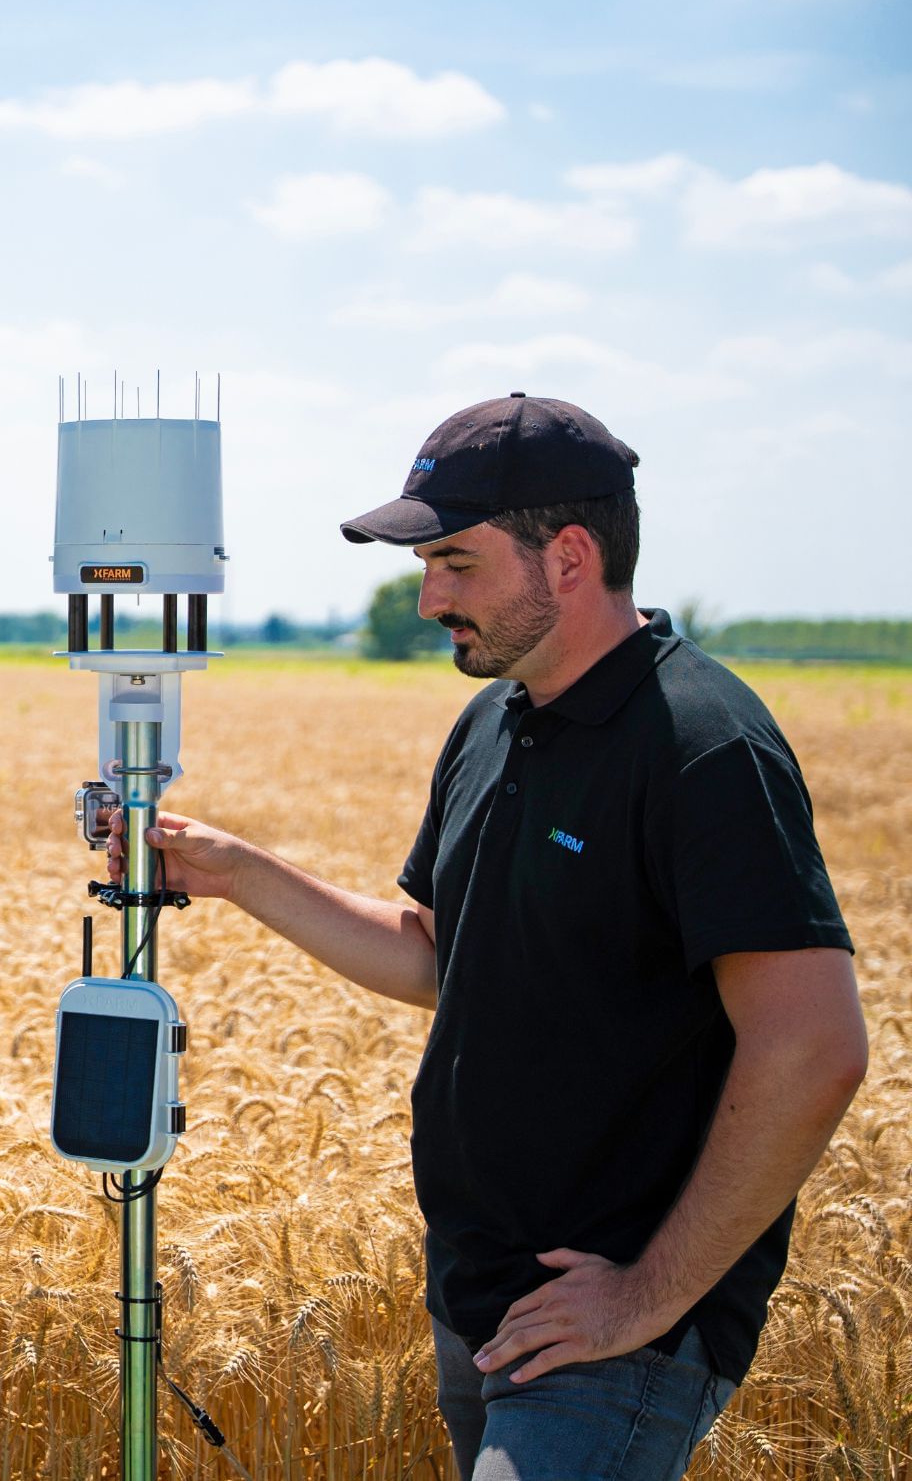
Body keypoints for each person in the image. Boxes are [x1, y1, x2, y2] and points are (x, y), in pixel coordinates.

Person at [110, 393, 864, 1480]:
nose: (428, 597)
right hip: (482, 1296)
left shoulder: (701, 745)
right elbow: (435, 954)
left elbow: (815, 1046)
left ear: (568, 556)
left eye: (457, 561)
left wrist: (644, 1295)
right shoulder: (495, 721)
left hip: (607, 1328)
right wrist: (239, 874)